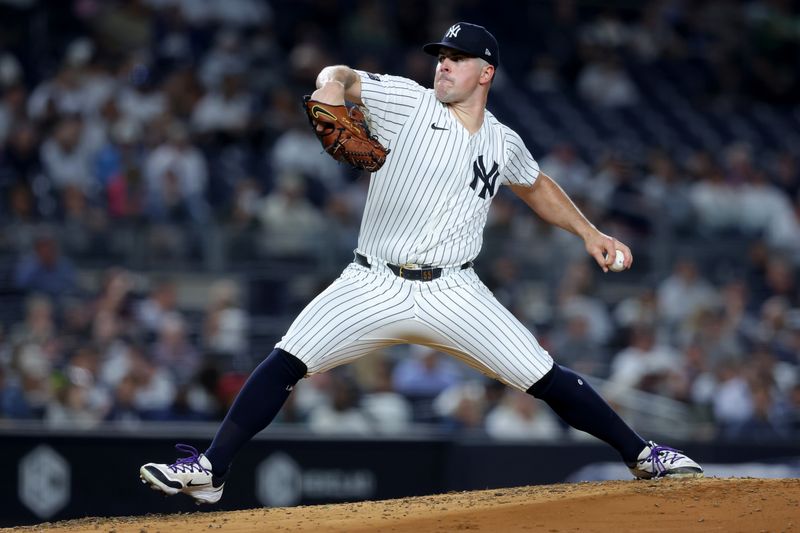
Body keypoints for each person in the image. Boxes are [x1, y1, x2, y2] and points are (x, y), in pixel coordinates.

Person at [139, 22, 702, 505]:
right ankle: (212, 470)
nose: (445, 66)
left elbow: (535, 186)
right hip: (372, 280)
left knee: (545, 376)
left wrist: (589, 231)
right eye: (441, 57)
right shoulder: (408, 101)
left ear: (487, 73)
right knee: (286, 360)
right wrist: (332, 85)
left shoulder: (502, 141)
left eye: (458, 60)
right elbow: (341, 75)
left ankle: (642, 454)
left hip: (454, 291)